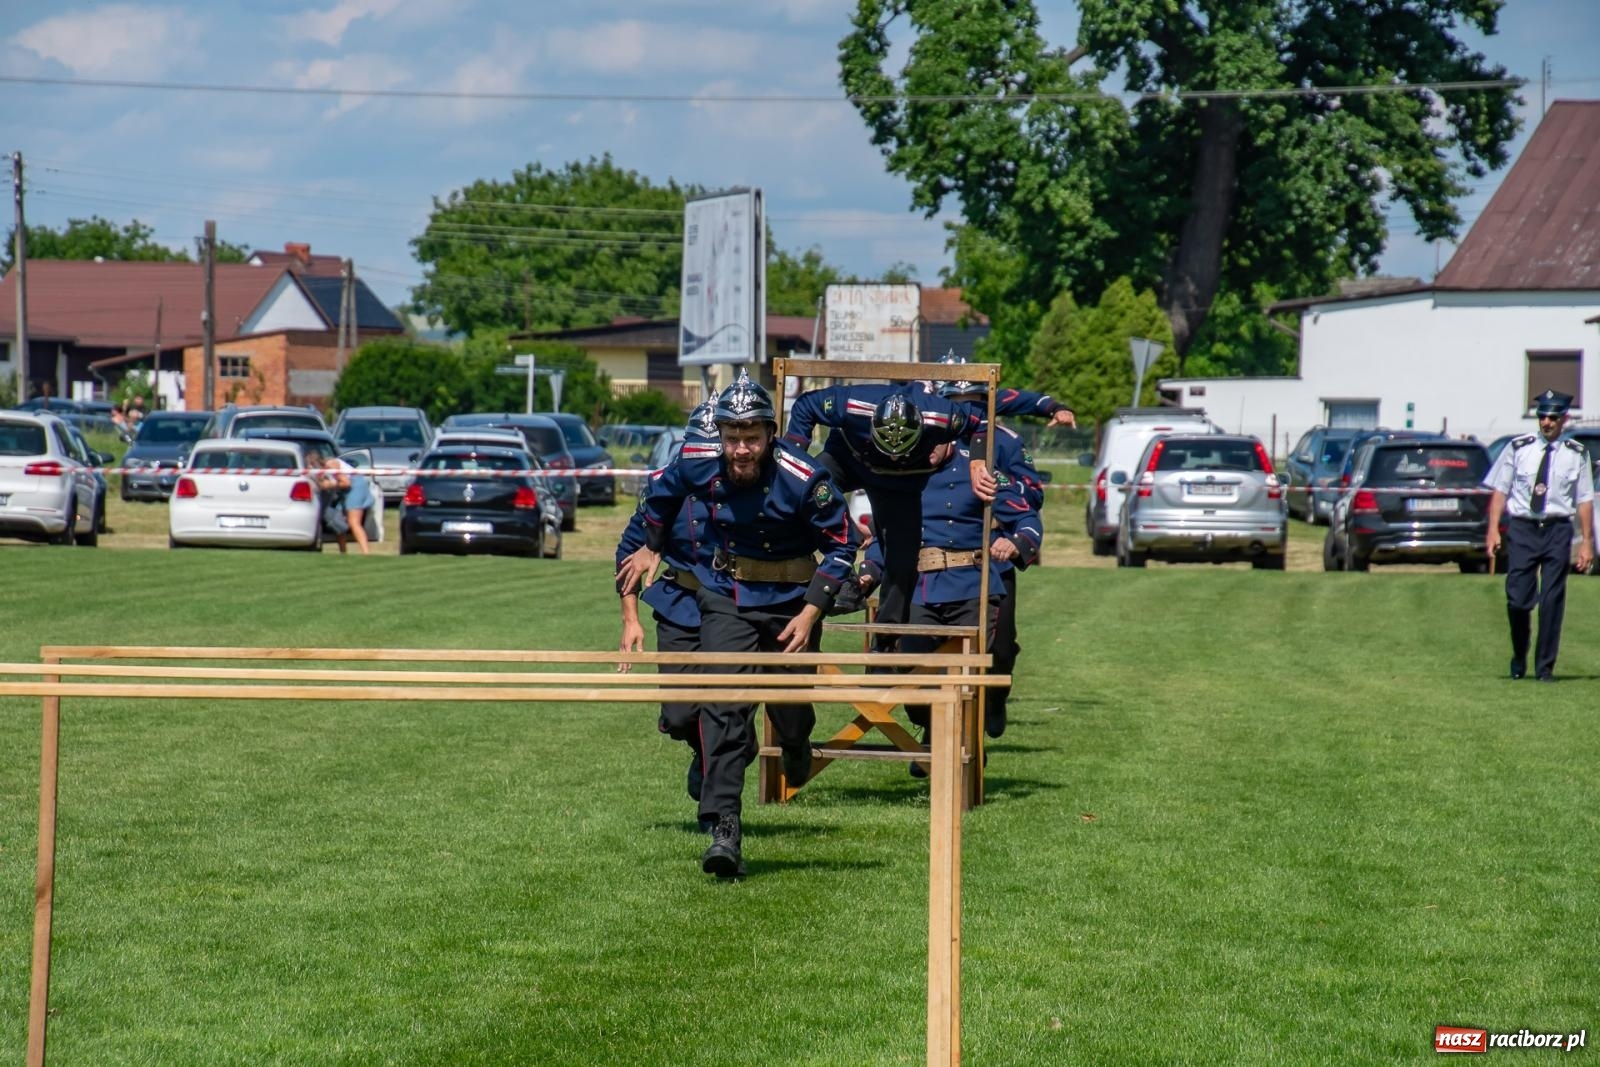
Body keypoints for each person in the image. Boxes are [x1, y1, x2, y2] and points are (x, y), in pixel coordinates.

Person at [617, 370, 859, 878]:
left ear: (770, 434)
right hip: (726, 597)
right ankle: (724, 827)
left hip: (793, 602)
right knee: (724, 706)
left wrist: (812, 611)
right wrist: (651, 546)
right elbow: (659, 498)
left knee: (789, 706)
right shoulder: (697, 461)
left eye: (751, 438)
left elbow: (842, 546)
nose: (741, 450)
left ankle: (796, 743)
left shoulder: (804, 477)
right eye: (732, 438)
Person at [859, 437, 1042, 771]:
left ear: (950, 434)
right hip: (919, 589)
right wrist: (869, 570)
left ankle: (963, 746)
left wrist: (1016, 542)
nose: (927, 448)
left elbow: (1026, 518)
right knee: (913, 676)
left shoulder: (979, 469)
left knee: (966, 678)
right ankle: (931, 728)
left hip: (971, 587)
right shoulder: (902, 472)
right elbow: (885, 534)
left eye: (934, 439)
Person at [1483, 389, 1594, 681]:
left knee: (1552, 600)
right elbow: (1500, 491)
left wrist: (1587, 542)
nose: (1546, 422)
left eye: (1553, 417)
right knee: (1518, 599)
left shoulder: (1576, 453)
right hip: (1523, 528)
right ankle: (1519, 653)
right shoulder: (1518, 448)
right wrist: (1493, 529)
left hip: (1557, 529)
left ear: (1564, 419)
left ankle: (1545, 668)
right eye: (1542, 416)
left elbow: (1584, 499)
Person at [305, 447, 373, 555]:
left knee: (353, 522)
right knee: (338, 522)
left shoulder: (330, 465)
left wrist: (330, 485)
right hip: (344, 491)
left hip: (355, 486)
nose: (309, 467)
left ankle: (366, 553)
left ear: (317, 462)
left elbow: (346, 483)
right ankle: (343, 552)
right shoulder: (321, 472)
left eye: (311, 464)